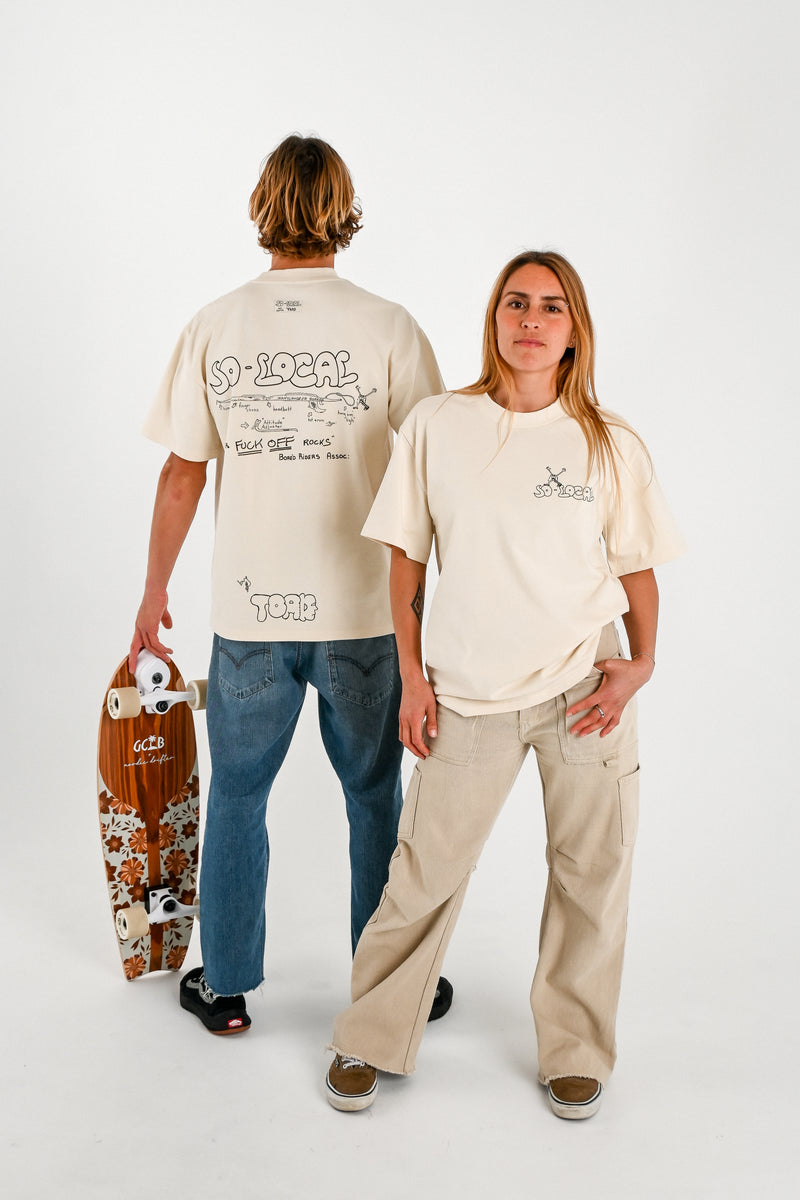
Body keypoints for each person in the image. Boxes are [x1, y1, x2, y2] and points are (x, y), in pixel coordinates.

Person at [325, 250, 685, 1117]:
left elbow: (637, 571)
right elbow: (404, 562)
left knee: (589, 873)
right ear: (494, 319)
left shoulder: (609, 441)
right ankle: (370, 1035)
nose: (531, 319)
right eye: (516, 303)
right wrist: (413, 679)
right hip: (467, 692)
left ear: (573, 331)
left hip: (583, 688)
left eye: (551, 307)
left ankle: (575, 1049)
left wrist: (640, 665)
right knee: (422, 872)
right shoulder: (437, 426)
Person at [129, 134, 453, 1034]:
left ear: (262, 203)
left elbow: (182, 474)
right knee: (374, 797)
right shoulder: (390, 327)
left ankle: (225, 986)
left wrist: (153, 590)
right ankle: (388, 982)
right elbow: (431, 477)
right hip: (365, 614)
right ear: (342, 206)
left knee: (238, 795)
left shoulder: (216, 323)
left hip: (251, 612)